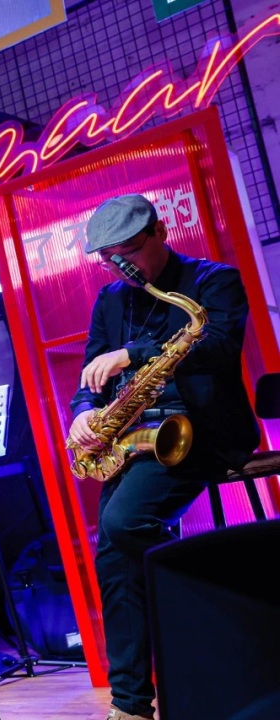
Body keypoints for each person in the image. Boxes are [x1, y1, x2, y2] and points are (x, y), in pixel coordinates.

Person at [66, 194, 260, 720]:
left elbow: (219, 346)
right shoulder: (110, 300)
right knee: (112, 553)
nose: (120, 267)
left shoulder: (214, 280)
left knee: (122, 525)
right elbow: (89, 377)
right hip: (136, 438)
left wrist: (134, 353)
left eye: (128, 252)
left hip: (201, 428)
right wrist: (83, 412)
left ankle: (228, 594)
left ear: (160, 231)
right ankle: (129, 705)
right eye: (109, 259)